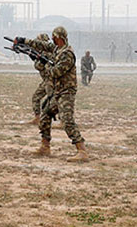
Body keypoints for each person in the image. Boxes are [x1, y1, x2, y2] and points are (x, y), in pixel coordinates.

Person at [21, 26, 88, 161]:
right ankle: (45, 147)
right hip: (57, 92)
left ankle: (82, 151)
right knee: (45, 115)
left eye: (54, 37)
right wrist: (25, 41)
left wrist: (43, 63)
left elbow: (55, 72)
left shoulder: (67, 54)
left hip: (66, 92)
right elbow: (42, 45)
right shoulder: (57, 49)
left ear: (60, 37)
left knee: (67, 120)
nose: (52, 39)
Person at [29, 33, 52, 125]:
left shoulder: (47, 53)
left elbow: (39, 66)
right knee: (36, 97)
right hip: (46, 80)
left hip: (52, 80)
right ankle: (37, 118)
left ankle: (63, 121)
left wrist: (36, 60)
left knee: (55, 101)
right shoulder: (42, 53)